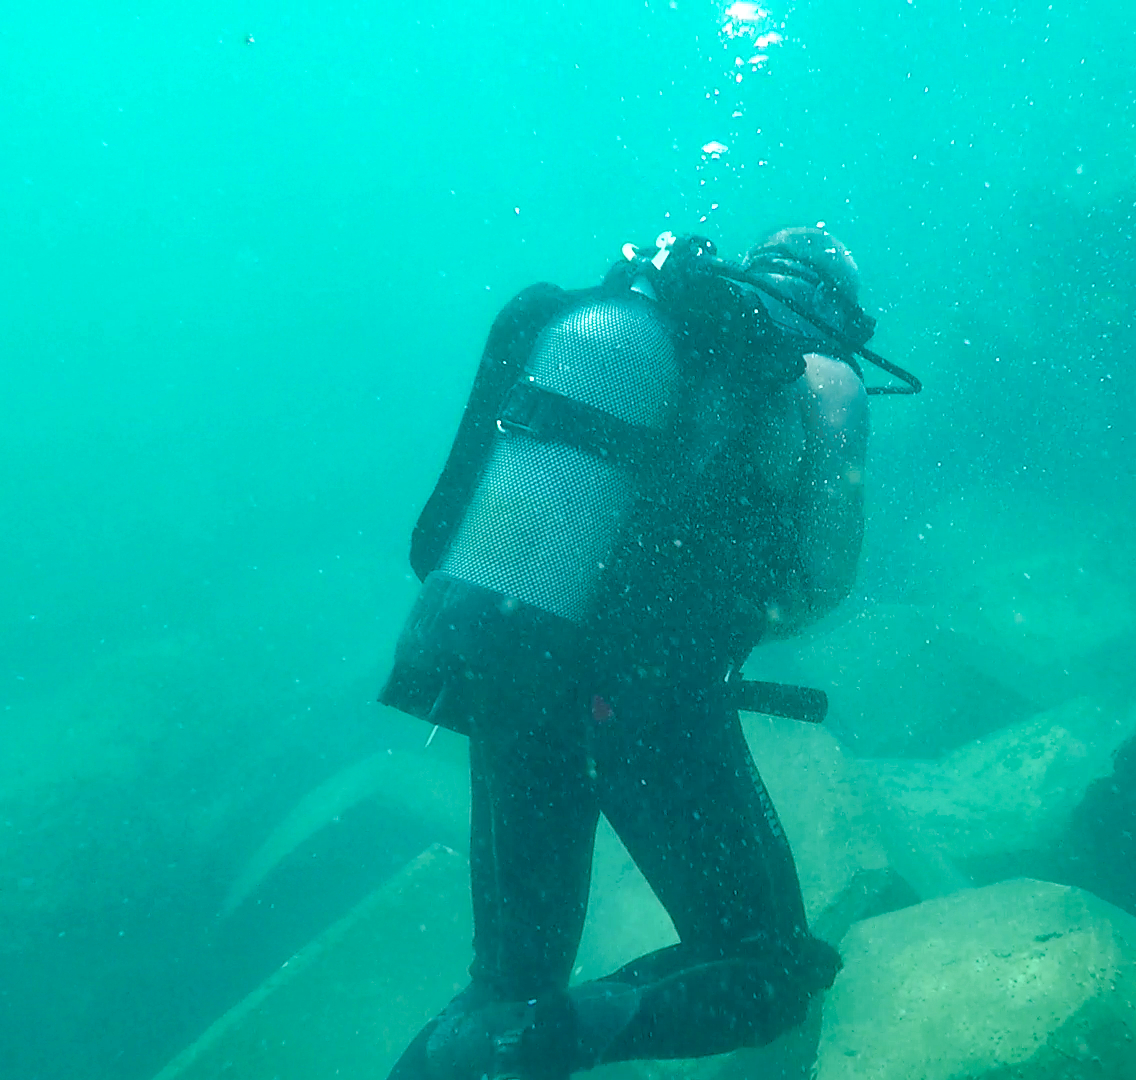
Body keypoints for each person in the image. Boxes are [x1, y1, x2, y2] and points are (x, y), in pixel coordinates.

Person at [377, 227, 881, 1080]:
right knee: (772, 969)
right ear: (834, 312)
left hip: (512, 667)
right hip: (656, 706)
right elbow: (816, 586)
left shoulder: (618, 333)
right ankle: (526, 1046)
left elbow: (437, 541)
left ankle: (482, 1045)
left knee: (505, 980)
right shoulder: (821, 378)